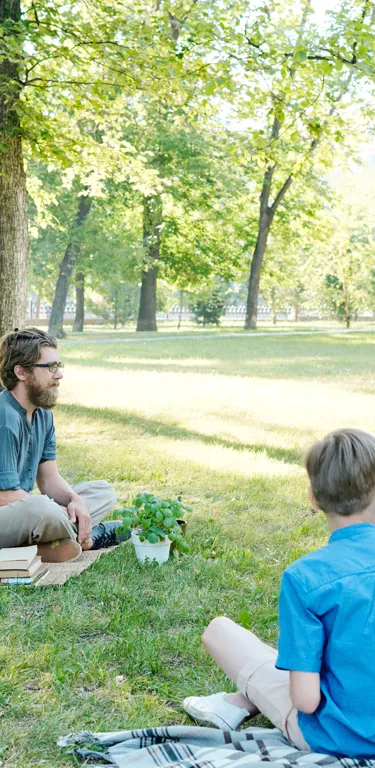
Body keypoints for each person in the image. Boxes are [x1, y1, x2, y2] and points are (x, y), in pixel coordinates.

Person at [184, 428, 375, 758]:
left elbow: (305, 700)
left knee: (220, 632)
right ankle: (237, 701)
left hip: (340, 739)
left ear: (313, 498)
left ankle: (238, 702)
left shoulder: (306, 578)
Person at [0, 327, 125, 563]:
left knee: (101, 492)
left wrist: (74, 501)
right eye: (50, 367)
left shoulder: (42, 415)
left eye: (59, 366)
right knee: (42, 508)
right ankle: (88, 537)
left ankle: (56, 541)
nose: (58, 375)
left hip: (23, 511)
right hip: (9, 509)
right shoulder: (5, 420)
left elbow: (48, 479)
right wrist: (56, 510)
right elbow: (4, 496)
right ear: (21, 372)